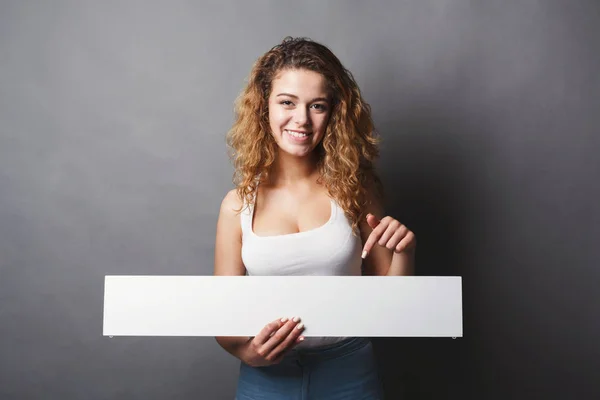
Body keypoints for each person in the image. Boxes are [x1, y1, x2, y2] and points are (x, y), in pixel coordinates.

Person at [213, 37, 416, 399]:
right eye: (287, 102)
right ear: (264, 108)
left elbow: (393, 307)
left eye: (317, 105)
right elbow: (223, 319)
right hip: (266, 380)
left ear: (333, 113)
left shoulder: (356, 190)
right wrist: (248, 352)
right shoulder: (236, 206)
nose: (301, 119)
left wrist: (404, 251)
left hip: (349, 373)